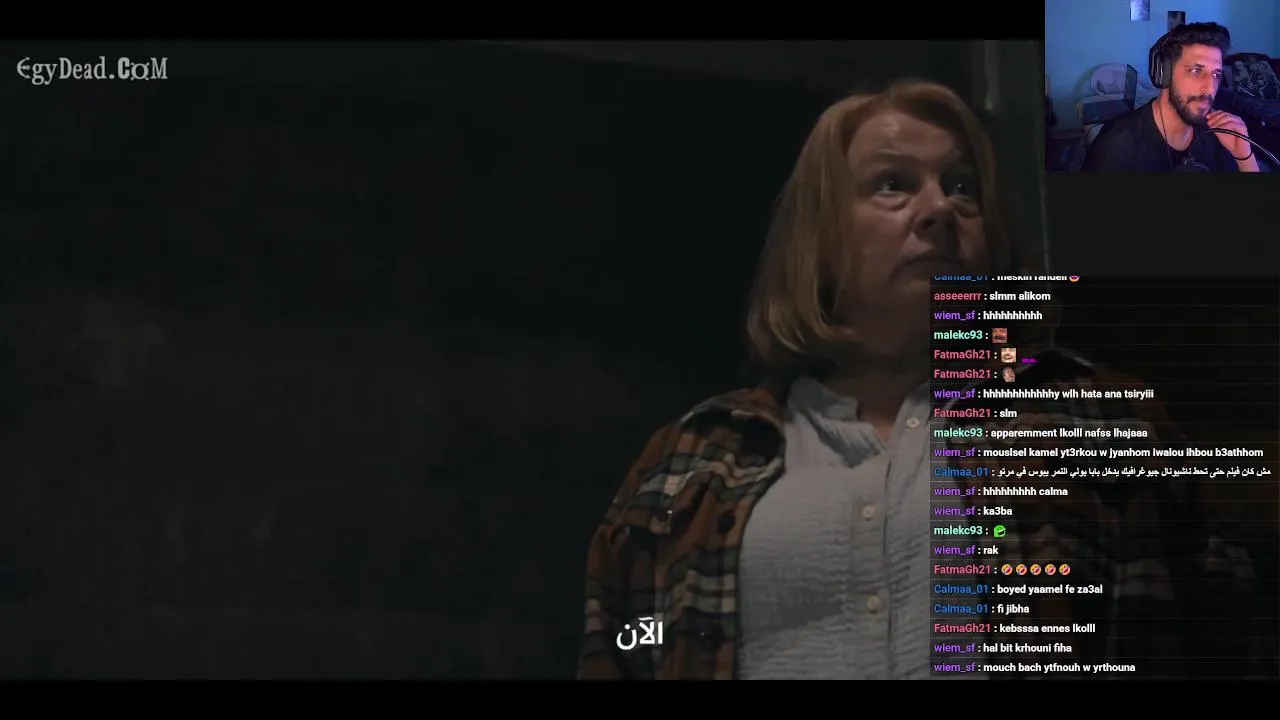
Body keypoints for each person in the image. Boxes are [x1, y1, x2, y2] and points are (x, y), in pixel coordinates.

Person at [576, 79, 1265, 680]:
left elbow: (1232, 639)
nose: (938, 209)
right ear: (821, 239)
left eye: (962, 187)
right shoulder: (691, 462)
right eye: (892, 185)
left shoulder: (1103, 421)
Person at [1081, 22, 1261, 173]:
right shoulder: (1116, 144)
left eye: (1216, 75)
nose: (1210, 88)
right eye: (1196, 71)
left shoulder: (1218, 134)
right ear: (1163, 74)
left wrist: (1244, 157)